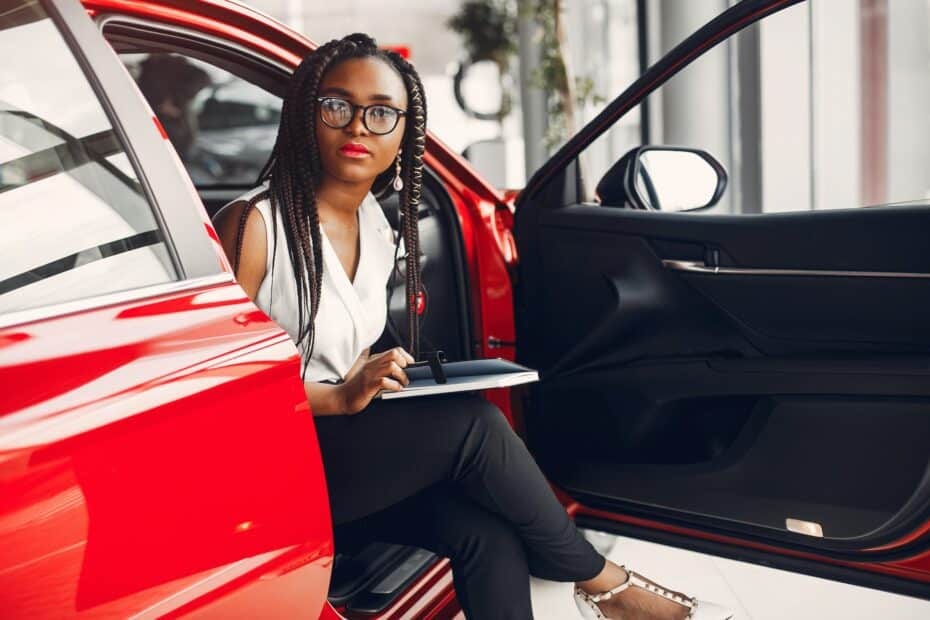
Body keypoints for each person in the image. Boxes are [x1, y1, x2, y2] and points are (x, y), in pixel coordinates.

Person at [214, 33, 730, 620]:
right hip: (276, 474)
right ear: (308, 115)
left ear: (404, 134)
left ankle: (600, 585)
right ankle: (608, 586)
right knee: (476, 425)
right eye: (337, 106)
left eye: (381, 112)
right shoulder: (253, 227)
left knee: (486, 533)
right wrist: (336, 395)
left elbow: (324, 349)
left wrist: (369, 372)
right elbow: (219, 397)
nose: (358, 126)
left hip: (337, 456)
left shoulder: (379, 231)